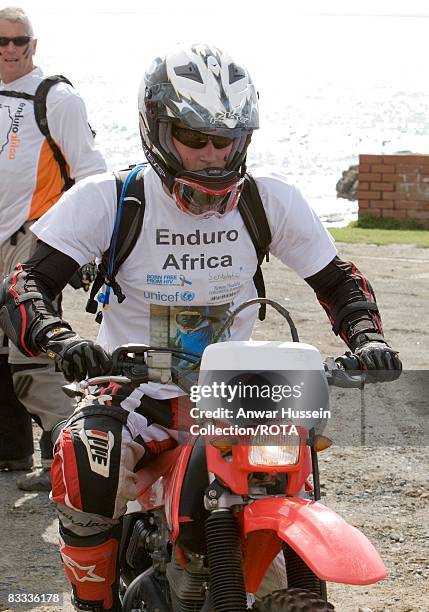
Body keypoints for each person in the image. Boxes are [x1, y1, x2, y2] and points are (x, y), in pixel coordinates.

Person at [0, 44, 401, 611]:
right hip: (133, 390)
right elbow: (25, 284)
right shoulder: (108, 199)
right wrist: (60, 340)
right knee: (89, 448)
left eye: (227, 140)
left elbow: (339, 282)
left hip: (237, 391)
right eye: (195, 138)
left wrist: (369, 340)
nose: (213, 155)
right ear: (158, 132)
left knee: (298, 463)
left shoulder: (268, 199)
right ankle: (94, 603)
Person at [0, 6, 107, 490]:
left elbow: (90, 173)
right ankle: (11, 451)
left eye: (16, 41)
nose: (7, 50)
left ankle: (69, 459)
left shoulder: (56, 98)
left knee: (32, 348)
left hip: (34, 235)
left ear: (33, 45)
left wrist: (84, 246)